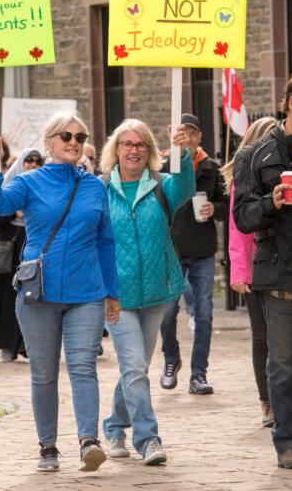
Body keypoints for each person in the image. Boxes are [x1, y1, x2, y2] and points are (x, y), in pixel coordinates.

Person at [0, 113, 120, 473]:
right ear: (49, 142)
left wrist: (112, 292)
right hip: (38, 294)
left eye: (80, 136)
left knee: (82, 367)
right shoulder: (30, 181)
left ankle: (89, 440)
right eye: (65, 136)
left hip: (86, 293)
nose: (73, 142)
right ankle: (47, 446)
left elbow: (106, 242)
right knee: (43, 373)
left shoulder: (94, 187)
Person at [100, 119, 194, 466]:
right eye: (127, 144)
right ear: (116, 150)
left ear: (150, 151)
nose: (133, 150)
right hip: (117, 296)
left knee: (133, 368)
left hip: (157, 292)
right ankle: (148, 439)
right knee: (136, 367)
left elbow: (185, 189)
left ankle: (112, 426)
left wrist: (182, 153)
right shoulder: (101, 189)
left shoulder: (160, 184)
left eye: (140, 145)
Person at [233, 69, 292, 469]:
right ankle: (288, 444)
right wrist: (272, 202)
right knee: (282, 364)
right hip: (283, 276)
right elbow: (243, 217)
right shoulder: (257, 153)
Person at [159, 114, 228, 394]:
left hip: (201, 250)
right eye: (182, 132)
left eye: (192, 133)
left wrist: (215, 208)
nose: (186, 137)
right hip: (173, 249)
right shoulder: (165, 166)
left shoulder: (212, 169)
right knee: (168, 312)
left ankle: (199, 372)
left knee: (204, 313)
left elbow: (226, 205)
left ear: (199, 136)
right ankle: (171, 359)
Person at [0, 148, 43, 361]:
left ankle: (26, 344)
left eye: (37, 161)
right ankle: (7, 345)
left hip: (32, 247)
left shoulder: (42, 187)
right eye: (28, 160)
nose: (32, 164)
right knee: (8, 295)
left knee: (32, 294)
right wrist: (15, 211)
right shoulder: (10, 186)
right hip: (11, 248)